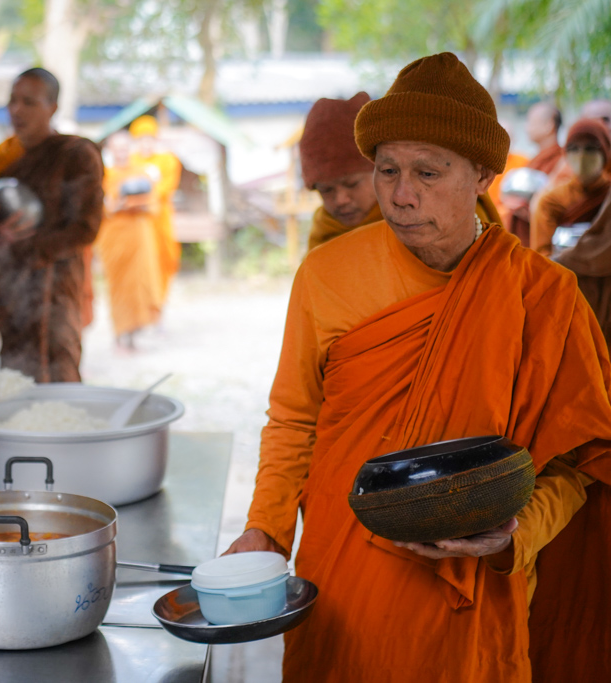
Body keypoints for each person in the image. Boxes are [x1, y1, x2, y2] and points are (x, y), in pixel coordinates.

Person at [226, 53, 611, 682]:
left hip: (475, 590)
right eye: (387, 171)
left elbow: (577, 462)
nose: (402, 196)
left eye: (428, 173)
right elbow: (294, 420)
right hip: (345, 574)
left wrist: (515, 536)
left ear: (482, 174)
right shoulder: (326, 274)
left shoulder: (542, 295)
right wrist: (265, 531)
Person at [0, 68, 103, 382]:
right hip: (7, 290)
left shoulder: (76, 155)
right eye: (12, 101)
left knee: (56, 375)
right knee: (11, 376)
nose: (16, 110)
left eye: (29, 102)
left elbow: (86, 228)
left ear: (52, 107)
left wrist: (25, 246)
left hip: (53, 292)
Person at [95, 132, 162, 350]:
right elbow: (99, 207)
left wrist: (140, 204)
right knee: (119, 287)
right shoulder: (104, 176)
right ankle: (119, 335)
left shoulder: (141, 173)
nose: (122, 152)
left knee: (138, 285)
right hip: (114, 238)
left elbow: (154, 204)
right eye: (117, 148)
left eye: (125, 147)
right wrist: (117, 205)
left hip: (138, 236)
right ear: (110, 150)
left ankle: (132, 336)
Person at [299, 92, 381, 251]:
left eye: (352, 184)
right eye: (326, 190)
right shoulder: (322, 236)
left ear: (383, 173)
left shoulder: (412, 228)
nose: (341, 200)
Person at [530, 119, 611, 257]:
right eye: (573, 149)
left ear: (605, 152)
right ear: (566, 154)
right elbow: (542, 256)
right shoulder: (551, 200)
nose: (581, 156)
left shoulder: (608, 194)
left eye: (590, 148)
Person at [129, 115, 182, 310]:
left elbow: (166, 188)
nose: (145, 143)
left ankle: (160, 302)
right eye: (141, 139)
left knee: (164, 257)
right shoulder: (131, 161)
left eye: (149, 138)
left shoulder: (167, 160)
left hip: (160, 218)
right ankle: (142, 304)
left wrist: (145, 194)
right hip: (137, 219)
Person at [504, 102, 564, 245]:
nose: (526, 127)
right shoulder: (533, 161)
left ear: (549, 125)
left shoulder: (561, 162)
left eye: (531, 121)